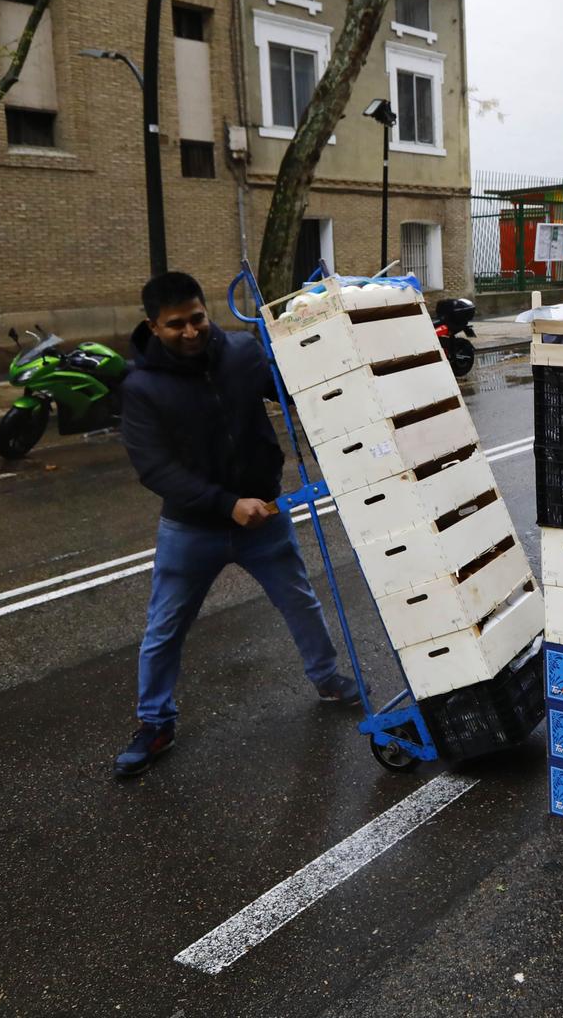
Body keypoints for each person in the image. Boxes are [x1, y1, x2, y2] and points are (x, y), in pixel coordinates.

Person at [113, 271, 358, 778]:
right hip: (191, 530)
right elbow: (154, 468)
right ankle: (155, 722)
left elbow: (294, 394)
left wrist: (326, 365)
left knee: (299, 598)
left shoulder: (242, 354)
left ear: (207, 311)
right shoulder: (141, 387)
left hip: (263, 519)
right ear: (153, 327)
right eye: (175, 324)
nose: (190, 331)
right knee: (164, 629)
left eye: (197, 318)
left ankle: (329, 678)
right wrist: (227, 505)